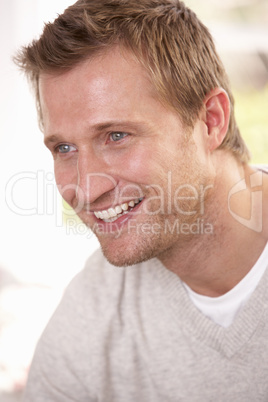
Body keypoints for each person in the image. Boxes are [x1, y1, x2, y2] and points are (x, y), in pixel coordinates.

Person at [15, 0, 268, 400]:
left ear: (211, 120)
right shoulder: (98, 303)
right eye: (64, 147)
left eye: (116, 136)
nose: (85, 189)